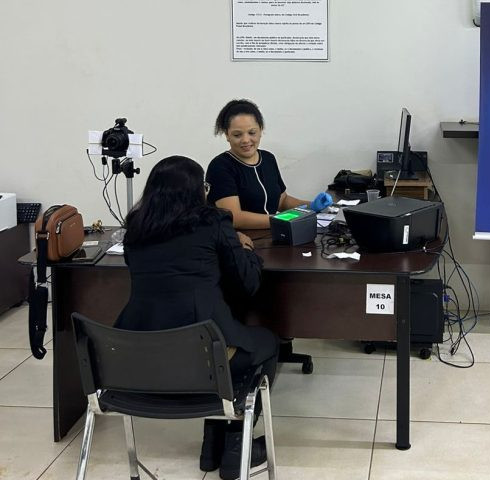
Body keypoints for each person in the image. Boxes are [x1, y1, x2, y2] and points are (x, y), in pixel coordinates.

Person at [115, 155, 278, 480]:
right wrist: (245, 250)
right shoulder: (213, 222)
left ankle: (211, 445)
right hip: (202, 353)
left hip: (141, 354)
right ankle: (236, 448)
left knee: (215, 344)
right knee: (268, 343)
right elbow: (247, 283)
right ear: (196, 191)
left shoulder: (135, 228)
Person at [205, 98, 332, 229]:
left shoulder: (268, 158)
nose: (246, 140)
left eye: (252, 133)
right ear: (227, 135)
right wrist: (280, 220)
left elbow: (282, 201)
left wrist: (312, 206)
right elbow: (234, 217)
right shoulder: (220, 166)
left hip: (274, 234)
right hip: (240, 239)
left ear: (261, 130)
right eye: (237, 135)